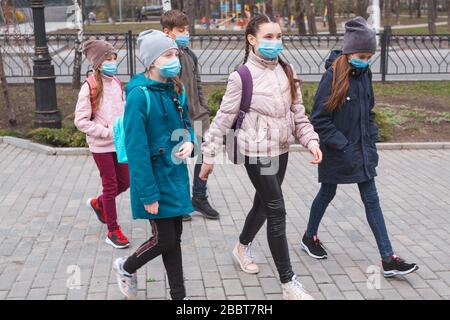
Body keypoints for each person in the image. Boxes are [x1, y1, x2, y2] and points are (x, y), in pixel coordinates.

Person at [199, 14, 322, 300]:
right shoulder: (241, 76)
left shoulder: (287, 69)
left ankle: (241, 246)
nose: (275, 43)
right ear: (252, 40)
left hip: (281, 149)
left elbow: (298, 115)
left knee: (264, 205)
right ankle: (288, 283)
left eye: (279, 37)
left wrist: (311, 141)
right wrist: (208, 156)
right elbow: (223, 120)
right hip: (256, 151)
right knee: (277, 209)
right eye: (268, 37)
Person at [302, 17, 418, 278]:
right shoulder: (332, 76)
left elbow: (369, 112)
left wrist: (371, 138)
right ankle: (309, 236)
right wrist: (343, 145)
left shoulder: (365, 74)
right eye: (362, 55)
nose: (365, 60)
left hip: (363, 152)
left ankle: (388, 258)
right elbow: (319, 119)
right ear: (349, 51)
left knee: (372, 201)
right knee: (327, 194)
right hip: (338, 151)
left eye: (369, 56)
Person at [113, 30, 196, 300]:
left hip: (175, 175)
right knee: (164, 239)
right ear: (151, 61)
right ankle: (125, 267)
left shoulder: (175, 88)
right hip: (153, 180)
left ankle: (178, 296)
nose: (176, 60)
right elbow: (136, 150)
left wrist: (191, 141)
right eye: (168, 55)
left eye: (176, 54)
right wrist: (148, 193)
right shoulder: (139, 95)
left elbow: (185, 124)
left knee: (175, 238)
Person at [161, 9, 220, 221]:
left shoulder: (189, 54)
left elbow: (198, 85)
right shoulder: (166, 58)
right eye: (181, 30)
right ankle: (180, 202)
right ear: (167, 32)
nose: (186, 33)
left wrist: (204, 108)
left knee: (206, 153)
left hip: (198, 115)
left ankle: (199, 197)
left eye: (187, 29)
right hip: (178, 118)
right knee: (179, 159)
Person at [74, 39, 130, 249]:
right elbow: (80, 121)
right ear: (98, 62)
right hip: (101, 145)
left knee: (125, 181)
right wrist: (106, 132)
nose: (112, 62)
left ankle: (99, 203)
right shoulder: (89, 86)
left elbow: (121, 110)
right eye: (108, 59)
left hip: (120, 143)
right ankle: (113, 230)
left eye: (114, 58)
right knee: (111, 184)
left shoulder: (115, 82)